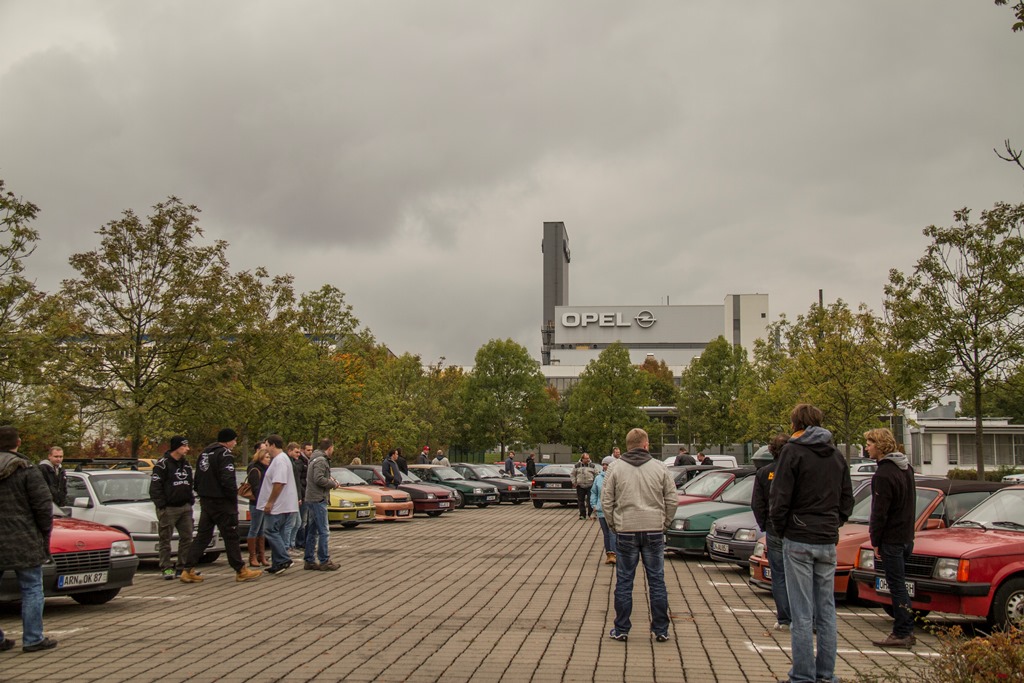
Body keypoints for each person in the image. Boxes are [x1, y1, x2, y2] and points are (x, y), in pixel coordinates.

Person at [769, 404, 853, 683]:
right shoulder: (836, 456)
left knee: (802, 613)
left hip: (799, 538)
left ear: (796, 424)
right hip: (827, 538)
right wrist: (833, 523)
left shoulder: (792, 453)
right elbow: (847, 501)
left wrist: (781, 530)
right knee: (826, 611)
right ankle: (826, 675)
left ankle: (803, 675)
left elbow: (779, 498)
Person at [602, 428, 677, 642]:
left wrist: (613, 525)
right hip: (654, 528)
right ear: (646, 445)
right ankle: (661, 629)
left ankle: (622, 628)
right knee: (657, 580)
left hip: (626, 529)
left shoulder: (615, 468)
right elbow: (672, 499)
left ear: (627, 446)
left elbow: (606, 501)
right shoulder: (660, 467)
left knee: (624, 580)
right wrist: (665, 523)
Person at [0, 425, 57, 652]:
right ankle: (33, 638)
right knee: (32, 587)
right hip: (23, 538)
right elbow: (43, 506)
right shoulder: (27, 470)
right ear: (18, 443)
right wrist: (44, 533)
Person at [179, 428, 262, 584]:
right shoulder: (224, 454)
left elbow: (196, 478)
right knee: (231, 535)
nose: (235, 443)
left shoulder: (204, 453)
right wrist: (232, 497)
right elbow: (227, 479)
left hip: (206, 500)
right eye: (234, 440)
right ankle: (240, 570)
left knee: (203, 536)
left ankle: (187, 569)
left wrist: (202, 494)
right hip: (222, 502)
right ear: (228, 440)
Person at [865, 427, 917, 648]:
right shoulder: (906, 469)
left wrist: (875, 541)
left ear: (880, 445)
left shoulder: (884, 474)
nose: (866, 447)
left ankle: (902, 631)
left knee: (896, 586)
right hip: (906, 536)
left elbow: (879, 512)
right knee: (900, 584)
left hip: (892, 539)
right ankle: (906, 629)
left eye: (869, 443)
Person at [751, 434, 791, 630]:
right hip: (795, 529)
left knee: (779, 575)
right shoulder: (797, 471)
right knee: (801, 574)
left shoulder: (764, 473)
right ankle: (808, 618)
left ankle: (785, 619)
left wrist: (764, 525)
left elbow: (757, 503)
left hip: (774, 530)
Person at [149, 436, 195, 580]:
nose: (187, 449)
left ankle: (182, 568)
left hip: (185, 507)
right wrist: (162, 505)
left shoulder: (186, 465)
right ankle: (166, 567)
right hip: (168, 508)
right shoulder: (162, 465)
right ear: (177, 447)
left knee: (187, 538)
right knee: (165, 539)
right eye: (185, 446)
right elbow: (155, 488)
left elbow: (190, 483)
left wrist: (190, 499)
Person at [256, 435, 300, 575]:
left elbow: (279, 482)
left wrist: (270, 502)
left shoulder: (280, 460)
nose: (266, 447)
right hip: (283, 504)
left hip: (278, 505)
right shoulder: (281, 460)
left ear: (273, 445)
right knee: (279, 532)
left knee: (270, 531)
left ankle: (283, 558)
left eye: (267, 444)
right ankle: (277, 563)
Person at [304, 439, 341, 571]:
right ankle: (324, 560)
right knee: (324, 531)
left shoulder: (314, 459)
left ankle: (309, 560)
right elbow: (318, 479)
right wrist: (333, 484)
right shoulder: (321, 460)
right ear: (330, 448)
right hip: (318, 498)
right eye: (333, 449)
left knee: (312, 531)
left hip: (312, 498)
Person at [245, 444, 271, 567]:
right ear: (261, 458)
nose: (269, 459)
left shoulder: (267, 470)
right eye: (266, 457)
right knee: (254, 529)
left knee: (262, 530)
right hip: (256, 504)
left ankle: (261, 555)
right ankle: (252, 556)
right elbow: (256, 489)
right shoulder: (255, 470)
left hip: (264, 503)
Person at [590, 456, 617, 565]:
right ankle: (609, 554)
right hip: (601, 510)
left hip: (613, 510)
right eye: (603, 464)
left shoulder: (615, 476)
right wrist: (594, 505)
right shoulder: (598, 478)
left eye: (607, 464)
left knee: (612, 533)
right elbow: (594, 492)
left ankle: (614, 554)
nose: (605, 466)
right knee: (606, 534)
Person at [287, 442, 309, 553]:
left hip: (299, 495)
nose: (298, 454)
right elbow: (297, 482)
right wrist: (299, 496)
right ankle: (289, 546)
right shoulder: (293, 464)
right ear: (289, 451)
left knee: (298, 522)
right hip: (294, 497)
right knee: (293, 523)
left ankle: (292, 545)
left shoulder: (296, 462)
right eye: (296, 452)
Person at [571, 452, 600, 519]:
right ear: (582, 459)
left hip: (590, 486)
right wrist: (574, 482)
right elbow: (572, 474)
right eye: (586, 458)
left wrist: (595, 483)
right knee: (581, 501)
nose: (588, 460)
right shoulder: (577, 465)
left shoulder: (592, 465)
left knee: (590, 500)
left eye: (588, 458)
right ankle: (582, 514)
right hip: (580, 486)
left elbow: (596, 474)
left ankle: (591, 514)